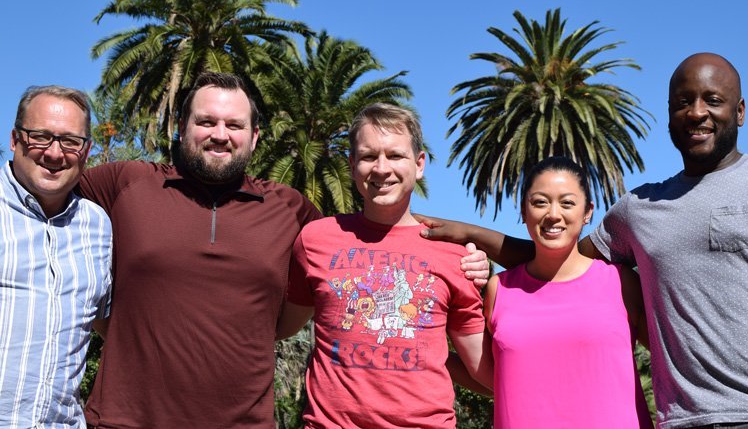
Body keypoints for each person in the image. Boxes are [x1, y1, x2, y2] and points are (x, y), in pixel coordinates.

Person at [79, 74, 488, 428]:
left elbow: (379, 228)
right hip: (125, 420)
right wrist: (101, 319)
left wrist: (469, 242)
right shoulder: (124, 183)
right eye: (206, 121)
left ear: (254, 136)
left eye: (234, 124)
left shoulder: (290, 209)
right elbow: (37, 197)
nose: (220, 133)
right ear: (181, 127)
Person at [418, 53, 748, 428]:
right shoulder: (639, 209)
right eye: (683, 102)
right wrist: (472, 236)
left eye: (713, 100)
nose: (697, 113)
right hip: (681, 420)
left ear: (741, 111)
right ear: (670, 112)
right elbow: (558, 262)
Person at [277, 103, 487, 428]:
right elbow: (281, 325)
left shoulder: (455, 256)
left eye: (395, 155)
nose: (381, 168)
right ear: (351, 165)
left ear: (419, 165)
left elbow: (482, 368)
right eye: (368, 156)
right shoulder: (315, 239)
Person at [480, 156, 650, 428]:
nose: (553, 214)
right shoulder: (498, 289)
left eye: (567, 202)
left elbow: (671, 361)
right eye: (540, 202)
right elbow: (486, 377)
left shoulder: (622, 283)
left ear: (588, 212)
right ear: (524, 211)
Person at [0, 86, 112, 428]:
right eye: (40, 136)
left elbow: (110, 324)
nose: (54, 152)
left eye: (70, 142)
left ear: (87, 150)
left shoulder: (98, 227)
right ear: (16, 139)